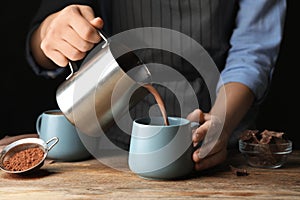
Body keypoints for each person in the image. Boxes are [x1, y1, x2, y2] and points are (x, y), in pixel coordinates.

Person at [26, 0, 286, 171]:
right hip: (105, 147)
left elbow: (252, 52)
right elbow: (42, 43)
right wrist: (52, 31)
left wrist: (221, 122)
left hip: (215, 144)